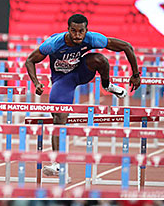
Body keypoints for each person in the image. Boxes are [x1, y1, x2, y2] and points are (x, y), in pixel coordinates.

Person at [25, 11, 141, 159]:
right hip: (63, 79)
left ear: (86, 30)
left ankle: (107, 85)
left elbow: (127, 46)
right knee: (59, 117)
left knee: (100, 59)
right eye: (74, 31)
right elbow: (30, 60)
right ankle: (56, 162)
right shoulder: (53, 44)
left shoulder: (92, 38)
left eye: (81, 31)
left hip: (82, 71)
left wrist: (136, 74)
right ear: (68, 30)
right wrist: (36, 83)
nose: (78, 35)